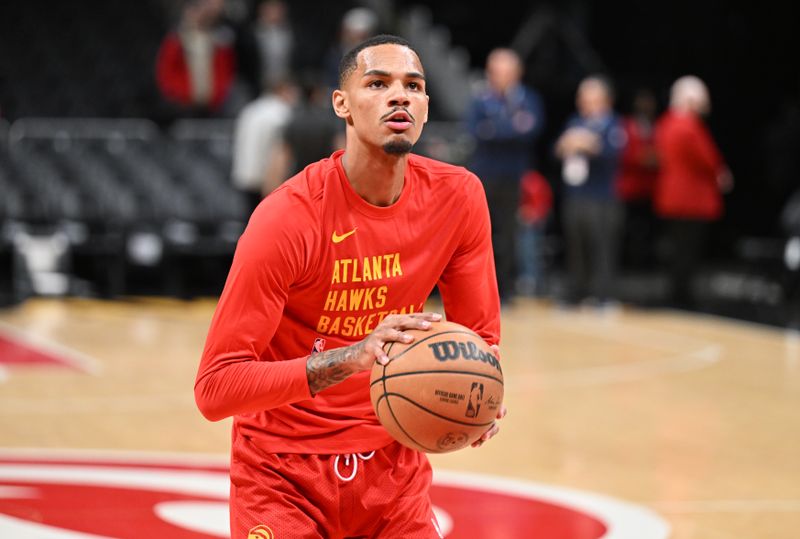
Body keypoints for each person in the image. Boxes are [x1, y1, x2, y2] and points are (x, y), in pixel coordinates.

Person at [195, 35, 505, 539]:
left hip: (392, 471)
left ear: (426, 107)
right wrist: (351, 357)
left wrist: (480, 396)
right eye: (378, 83)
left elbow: (481, 340)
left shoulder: (460, 198)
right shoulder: (287, 218)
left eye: (413, 86)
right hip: (281, 475)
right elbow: (214, 389)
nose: (399, 96)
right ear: (342, 103)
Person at [466, 48, 545, 302]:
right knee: (480, 234)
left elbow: (532, 130)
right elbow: (475, 131)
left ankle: (506, 288)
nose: (500, 76)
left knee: (512, 233)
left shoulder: (528, 98)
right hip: (485, 175)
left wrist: (495, 129)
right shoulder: (480, 99)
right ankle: (478, 287)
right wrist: (511, 127)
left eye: (506, 71)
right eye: (496, 71)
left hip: (514, 176)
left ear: (517, 73)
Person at [653, 75, 731, 309]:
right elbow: (708, 160)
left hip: (671, 196)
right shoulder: (688, 126)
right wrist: (721, 173)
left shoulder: (665, 123)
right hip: (690, 199)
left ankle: (677, 293)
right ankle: (682, 296)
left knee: (677, 248)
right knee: (687, 250)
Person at [555, 75, 626, 306]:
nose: (584, 102)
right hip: (576, 193)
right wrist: (566, 144)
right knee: (576, 244)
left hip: (602, 196)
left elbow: (613, 152)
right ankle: (577, 291)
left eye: (590, 98)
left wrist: (588, 144)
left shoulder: (613, 123)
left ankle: (603, 295)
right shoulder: (575, 122)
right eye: (582, 98)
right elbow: (558, 150)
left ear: (604, 100)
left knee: (602, 246)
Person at [155, 0, 236, 116]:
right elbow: (166, 73)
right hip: (182, 104)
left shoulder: (220, 41)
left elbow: (226, 73)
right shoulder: (175, 41)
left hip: (214, 105)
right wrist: (180, 95)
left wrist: (217, 95)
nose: (198, 17)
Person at [230, 78, 298, 214]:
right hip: (266, 179)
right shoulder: (281, 113)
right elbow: (279, 150)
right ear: (283, 90)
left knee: (250, 219)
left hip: (245, 174)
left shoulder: (250, 109)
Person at [616, 88, 659, 271]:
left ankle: (645, 262)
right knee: (628, 227)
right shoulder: (626, 125)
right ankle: (627, 262)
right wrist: (641, 158)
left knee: (648, 229)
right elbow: (623, 153)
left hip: (650, 187)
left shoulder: (657, 126)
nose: (646, 106)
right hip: (629, 186)